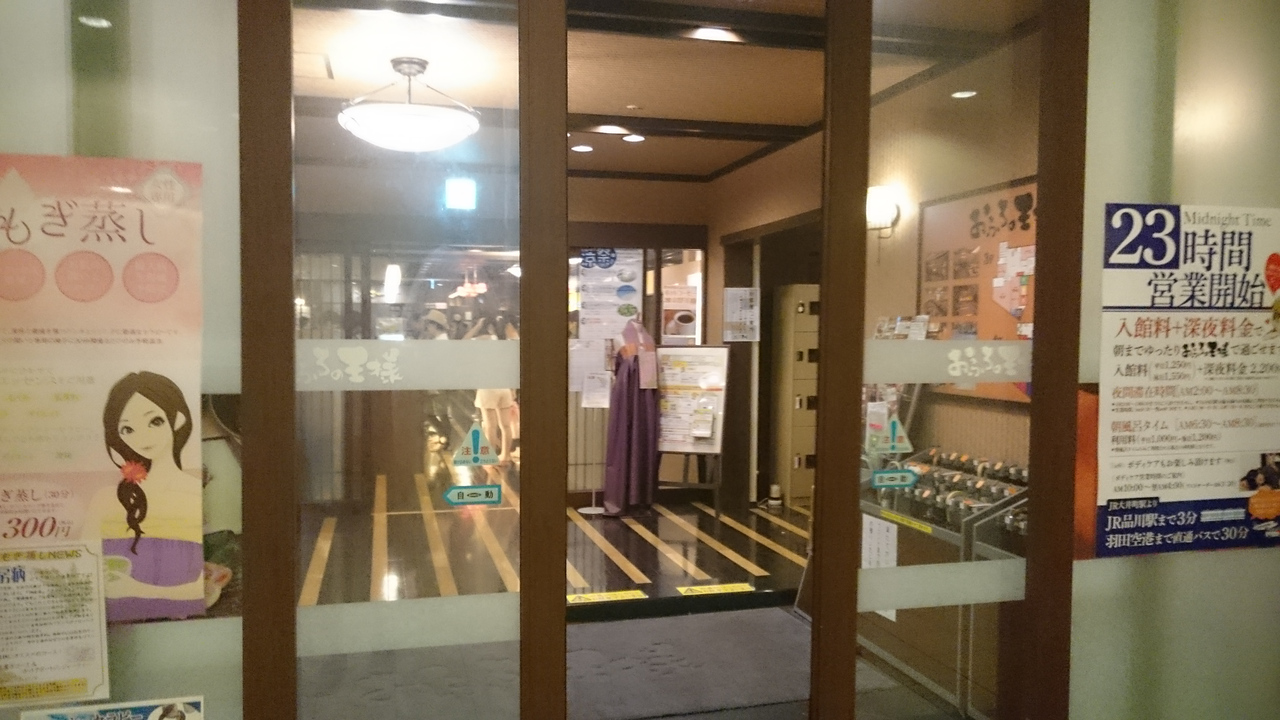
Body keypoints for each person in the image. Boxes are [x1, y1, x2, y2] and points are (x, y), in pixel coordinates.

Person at [86, 371, 204, 622]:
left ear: (178, 419)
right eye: (128, 429)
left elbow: (204, 588)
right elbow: (80, 570)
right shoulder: (104, 499)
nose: (142, 437)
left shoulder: (194, 493)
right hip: (110, 628)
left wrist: (137, 589)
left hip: (177, 630)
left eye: (155, 421)